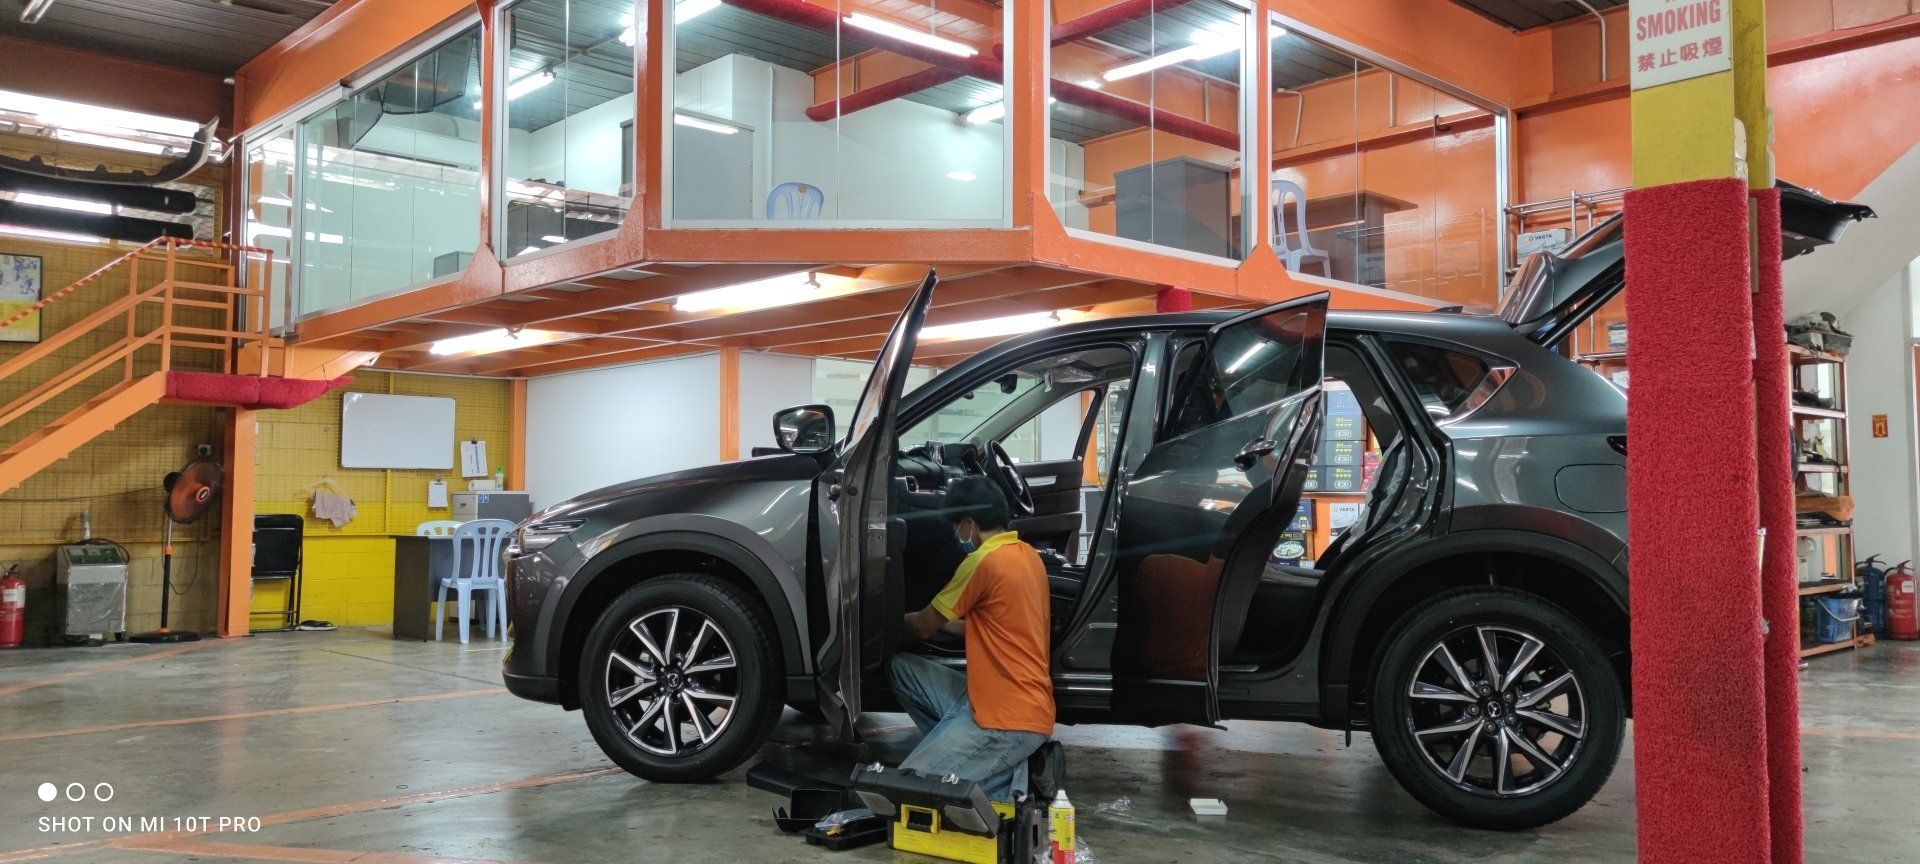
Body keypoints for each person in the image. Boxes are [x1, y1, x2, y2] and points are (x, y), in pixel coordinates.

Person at [890, 475, 1054, 800]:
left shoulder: (981, 562)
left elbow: (922, 626)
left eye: (956, 525)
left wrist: (879, 624)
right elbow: (989, 627)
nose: (956, 534)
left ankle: (1002, 777)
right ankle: (969, 755)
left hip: (1006, 720)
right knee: (902, 668)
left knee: (911, 788)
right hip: (1004, 700)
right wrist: (944, 624)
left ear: (969, 523)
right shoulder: (1027, 556)